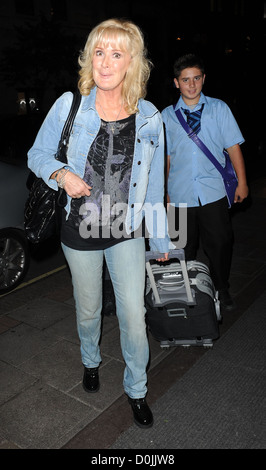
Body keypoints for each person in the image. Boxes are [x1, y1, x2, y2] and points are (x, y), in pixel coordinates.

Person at [28, 18, 172, 429]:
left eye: (116, 53)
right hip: (80, 231)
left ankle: (137, 389)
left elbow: (156, 185)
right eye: (98, 52)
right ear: (89, 58)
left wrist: (161, 238)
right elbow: (36, 154)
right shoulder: (69, 105)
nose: (105, 62)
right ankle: (90, 361)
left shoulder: (149, 117)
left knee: (133, 316)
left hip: (126, 232)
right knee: (89, 310)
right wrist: (60, 173)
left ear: (132, 63)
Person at [162, 54, 249, 311]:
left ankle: (222, 286)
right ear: (176, 83)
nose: (191, 85)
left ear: (203, 79)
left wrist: (242, 183)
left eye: (196, 78)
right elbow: (166, 158)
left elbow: (233, 148)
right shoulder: (167, 116)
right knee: (181, 247)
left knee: (220, 242)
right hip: (178, 193)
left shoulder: (219, 109)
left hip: (212, 192)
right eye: (185, 80)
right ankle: (184, 291)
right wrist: (164, 192)